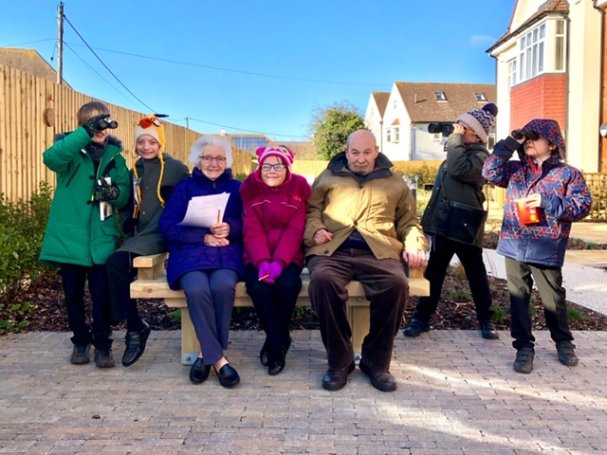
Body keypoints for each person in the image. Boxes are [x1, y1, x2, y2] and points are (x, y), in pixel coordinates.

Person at [304, 129, 428, 392]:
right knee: (322, 282)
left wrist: (415, 243)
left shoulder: (395, 183)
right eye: (355, 152)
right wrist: (314, 229)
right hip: (332, 251)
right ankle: (340, 361)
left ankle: (376, 363)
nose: (361, 159)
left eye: (367, 152)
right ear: (346, 151)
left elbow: (410, 224)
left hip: (378, 252)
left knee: (396, 284)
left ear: (377, 151)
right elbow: (310, 211)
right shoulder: (327, 177)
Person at [482, 119, 592, 374]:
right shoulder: (517, 169)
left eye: (535, 137)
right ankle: (523, 348)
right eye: (526, 137)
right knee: (518, 299)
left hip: (546, 246)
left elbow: (582, 206)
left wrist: (547, 202)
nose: (528, 141)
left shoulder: (568, 174)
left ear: (552, 144)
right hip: (514, 244)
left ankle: (563, 343)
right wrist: (511, 141)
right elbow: (489, 172)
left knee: (553, 298)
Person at [39, 100, 130, 368]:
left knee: (102, 296)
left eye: (104, 121)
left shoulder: (115, 156)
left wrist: (113, 193)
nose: (101, 127)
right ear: (83, 125)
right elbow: (51, 158)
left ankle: (103, 345)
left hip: (101, 238)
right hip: (71, 239)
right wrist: (84, 134)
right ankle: (80, 342)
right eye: (94, 122)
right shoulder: (69, 153)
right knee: (73, 295)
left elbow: (124, 194)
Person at [404, 103, 499, 340]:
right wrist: (429, 223)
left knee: (475, 274)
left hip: (465, 226)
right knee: (434, 274)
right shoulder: (457, 152)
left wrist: (455, 140)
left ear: (476, 134)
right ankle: (422, 318)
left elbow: (458, 170)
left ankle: (486, 320)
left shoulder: (481, 158)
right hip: (445, 224)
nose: (457, 130)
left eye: (463, 128)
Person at [159, 136, 243, 388]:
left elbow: (249, 221)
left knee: (223, 286)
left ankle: (206, 356)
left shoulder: (238, 188)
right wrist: (202, 237)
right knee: (196, 289)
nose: (213, 163)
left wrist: (231, 227)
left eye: (219, 158)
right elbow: (167, 225)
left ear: (227, 161)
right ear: (198, 160)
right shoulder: (184, 188)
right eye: (207, 158)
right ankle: (219, 360)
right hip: (191, 254)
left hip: (225, 253)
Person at [106, 115, 189, 367]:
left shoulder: (176, 168)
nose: (146, 147)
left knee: (116, 263)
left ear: (160, 144)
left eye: (151, 142)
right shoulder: (133, 171)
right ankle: (133, 324)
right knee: (114, 268)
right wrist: (126, 219)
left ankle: (132, 327)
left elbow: (189, 199)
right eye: (141, 142)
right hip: (138, 235)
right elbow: (129, 204)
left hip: (161, 233)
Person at [240, 145, 311, 376]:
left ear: (287, 168)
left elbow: (294, 231)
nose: (272, 170)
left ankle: (273, 341)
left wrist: (279, 263)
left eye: (278, 165)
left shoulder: (297, 193)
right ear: (259, 169)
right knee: (258, 287)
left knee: (289, 285)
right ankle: (279, 341)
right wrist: (263, 264)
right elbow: (252, 231)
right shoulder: (251, 194)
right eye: (267, 165)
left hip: (287, 258)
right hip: (258, 259)